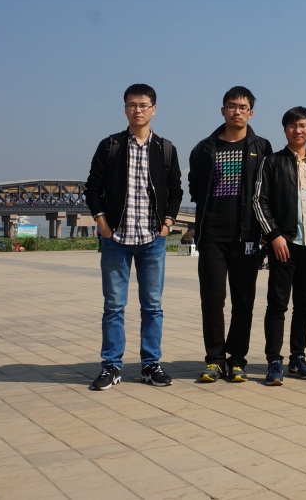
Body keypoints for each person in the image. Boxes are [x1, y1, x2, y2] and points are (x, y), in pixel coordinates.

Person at [84, 83, 183, 391]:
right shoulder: (110, 146)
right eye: (131, 105)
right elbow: (92, 187)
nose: (137, 110)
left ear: (154, 109)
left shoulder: (165, 149)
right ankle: (111, 365)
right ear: (125, 109)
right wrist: (102, 221)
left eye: (143, 105)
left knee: (152, 306)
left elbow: (176, 189)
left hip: (152, 240)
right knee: (114, 306)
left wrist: (167, 222)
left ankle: (151, 365)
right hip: (116, 239)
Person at [187, 86, 273, 384]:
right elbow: (195, 187)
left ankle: (237, 360)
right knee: (212, 299)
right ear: (222, 110)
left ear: (251, 112)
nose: (237, 111)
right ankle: (214, 359)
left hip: (247, 235)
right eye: (232, 106)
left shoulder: (262, 147)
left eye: (243, 107)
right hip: (212, 235)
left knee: (244, 300)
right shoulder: (204, 149)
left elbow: (267, 190)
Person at [253, 107, 306, 385]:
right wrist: (274, 235)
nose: (297, 130)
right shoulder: (272, 162)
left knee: (304, 306)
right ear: (285, 130)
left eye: (302, 125)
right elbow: (259, 200)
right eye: (292, 125)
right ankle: (274, 360)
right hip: (284, 245)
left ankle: (298, 357)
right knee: (277, 305)